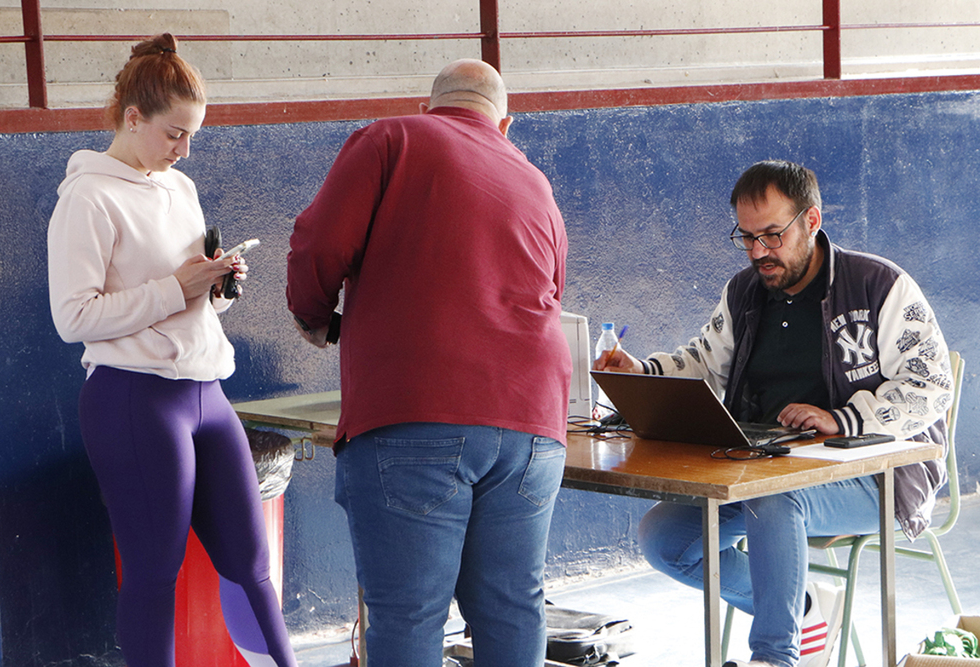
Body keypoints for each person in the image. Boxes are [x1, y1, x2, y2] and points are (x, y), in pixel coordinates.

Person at [594, 160, 951, 667]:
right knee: (664, 537)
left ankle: (775, 656)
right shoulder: (744, 292)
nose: (759, 251)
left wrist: (844, 419)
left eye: (772, 235)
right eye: (746, 237)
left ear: (811, 220)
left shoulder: (879, 286)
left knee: (776, 500)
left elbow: (933, 387)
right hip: (764, 464)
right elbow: (703, 362)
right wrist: (643, 369)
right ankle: (801, 610)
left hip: (876, 474)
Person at [287, 58, 571, 667]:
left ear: (429, 107)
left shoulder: (392, 137)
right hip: (533, 425)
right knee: (513, 606)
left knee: (410, 612)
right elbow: (552, 286)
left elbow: (319, 244)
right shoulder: (535, 181)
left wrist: (313, 316)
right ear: (505, 123)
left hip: (417, 411)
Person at [47, 34, 297, 667]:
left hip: (206, 391)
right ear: (133, 118)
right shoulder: (87, 196)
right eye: (173, 134)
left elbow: (187, 298)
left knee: (251, 563)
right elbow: (72, 317)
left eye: (192, 136)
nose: (184, 150)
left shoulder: (178, 188)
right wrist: (174, 287)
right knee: (156, 571)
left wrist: (217, 288)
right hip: (133, 398)